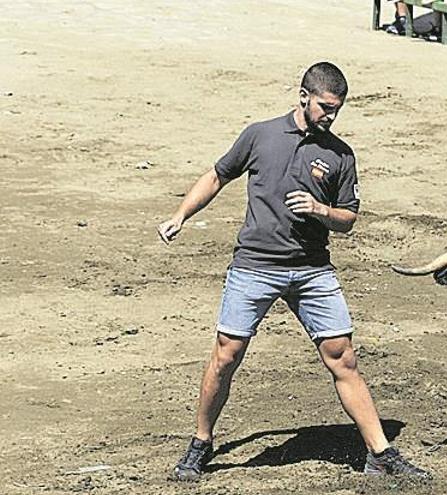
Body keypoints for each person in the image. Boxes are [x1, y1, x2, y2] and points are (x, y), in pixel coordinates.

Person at [158, 62, 430, 481]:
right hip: (255, 265)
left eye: (338, 109)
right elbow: (217, 175)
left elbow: (348, 219)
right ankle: (201, 442)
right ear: (303, 96)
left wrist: (322, 211)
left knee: (343, 358)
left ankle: (379, 452)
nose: (331, 116)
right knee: (226, 355)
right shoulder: (260, 135)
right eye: (325, 107)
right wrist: (181, 215)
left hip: (311, 271)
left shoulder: (340, 154)